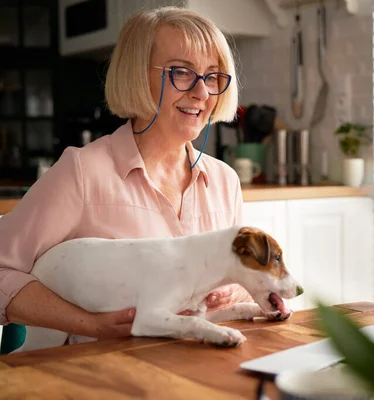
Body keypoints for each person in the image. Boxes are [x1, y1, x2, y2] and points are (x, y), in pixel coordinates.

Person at [0, 6, 253, 343]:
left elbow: (242, 284)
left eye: (212, 76)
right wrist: (88, 324)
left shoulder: (225, 182)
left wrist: (234, 289)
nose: (202, 93)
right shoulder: (82, 172)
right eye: (181, 72)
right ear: (136, 74)